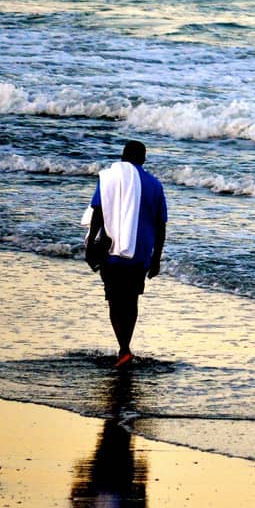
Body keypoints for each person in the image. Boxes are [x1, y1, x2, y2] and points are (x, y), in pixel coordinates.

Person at [85, 140, 167, 368]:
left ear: (122, 157)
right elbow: (161, 226)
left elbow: (98, 214)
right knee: (130, 301)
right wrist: (156, 258)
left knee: (114, 299)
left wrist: (90, 244)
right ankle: (125, 347)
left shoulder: (111, 179)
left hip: (111, 251)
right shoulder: (156, 185)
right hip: (140, 253)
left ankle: (123, 348)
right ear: (143, 159)